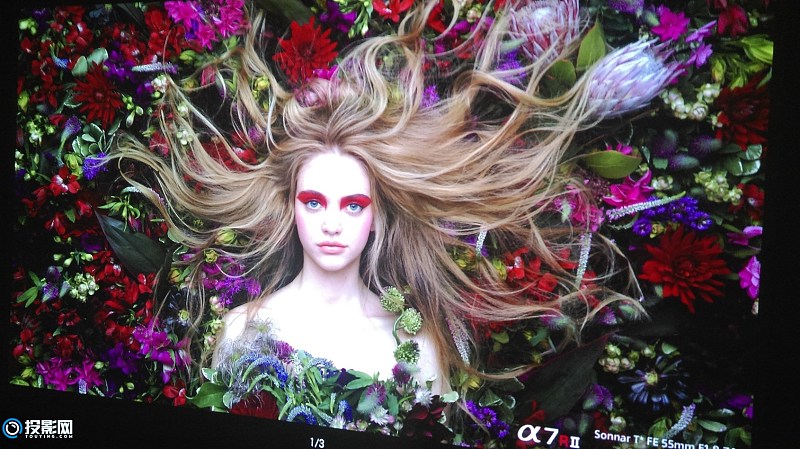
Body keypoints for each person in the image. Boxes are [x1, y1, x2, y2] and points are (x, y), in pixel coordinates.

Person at [111, 0, 653, 439]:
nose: (331, 224)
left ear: (376, 216)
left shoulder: (417, 352)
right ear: (290, 207)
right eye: (313, 202)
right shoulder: (239, 331)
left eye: (353, 205)